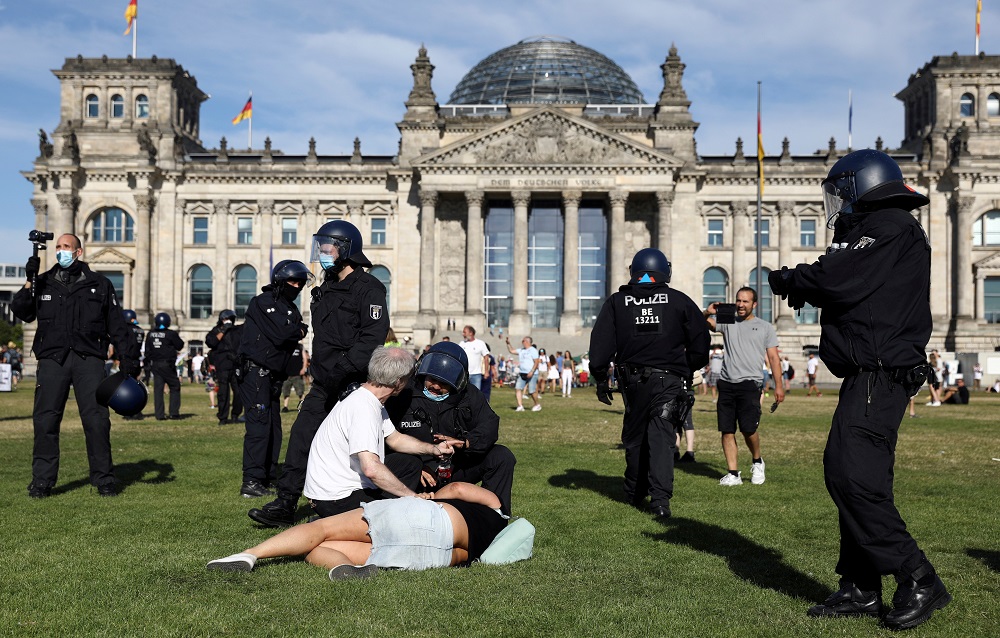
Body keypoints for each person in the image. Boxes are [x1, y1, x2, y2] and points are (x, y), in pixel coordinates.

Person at [768, 149, 951, 630]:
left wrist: (791, 279)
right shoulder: (881, 228)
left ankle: (918, 576)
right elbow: (847, 278)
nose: (837, 203)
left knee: (851, 475)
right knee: (857, 475)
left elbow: (839, 278)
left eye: (840, 191)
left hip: (880, 371)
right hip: (869, 371)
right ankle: (861, 586)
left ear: (859, 186)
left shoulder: (889, 225)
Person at [249, 219, 389, 528]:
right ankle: (286, 503)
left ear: (345, 250)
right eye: (321, 248)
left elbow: (371, 337)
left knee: (364, 447)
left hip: (355, 383)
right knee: (301, 437)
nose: (323, 254)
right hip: (325, 382)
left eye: (328, 249)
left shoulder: (370, 288)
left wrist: (344, 368)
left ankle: (381, 502)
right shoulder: (326, 285)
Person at [11, 233, 140, 498]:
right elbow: (22, 312)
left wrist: (128, 359)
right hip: (52, 359)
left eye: (66, 247)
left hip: (88, 359)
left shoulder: (99, 284)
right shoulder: (43, 281)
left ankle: (104, 479)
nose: (61, 251)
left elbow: (117, 324)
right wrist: (28, 281)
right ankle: (42, 482)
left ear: (78, 252)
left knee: (96, 421)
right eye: (58, 247)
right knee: (46, 421)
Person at [590, 248, 710, 518]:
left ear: (634, 271)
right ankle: (659, 501)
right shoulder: (679, 301)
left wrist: (599, 379)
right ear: (665, 271)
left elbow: (600, 347)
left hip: (633, 383)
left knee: (634, 438)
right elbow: (701, 342)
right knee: (662, 436)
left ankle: (633, 493)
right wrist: (687, 367)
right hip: (669, 380)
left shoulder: (617, 302)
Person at [207, 481, 506, 578]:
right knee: (315, 547)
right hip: (434, 557)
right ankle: (343, 568)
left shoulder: (494, 503)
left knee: (322, 528)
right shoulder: (490, 542)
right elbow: (457, 555)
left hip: (429, 517)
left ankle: (250, 555)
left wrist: (430, 496)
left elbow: (455, 487)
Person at [302, 347, 452, 516]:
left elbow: (395, 440)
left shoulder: (369, 397)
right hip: (335, 499)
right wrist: (412, 497)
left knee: (410, 463)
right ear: (398, 382)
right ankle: (334, 522)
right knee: (396, 514)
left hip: (337, 488)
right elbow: (371, 469)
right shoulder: (364, 408)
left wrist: (433, 449)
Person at [386, 341, 516, 515]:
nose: (436, 386)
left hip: (456, 467)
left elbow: (490, 425)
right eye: (431, 379)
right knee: (406, 464)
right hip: (419, 474)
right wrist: (417, 467)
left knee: (501, 456)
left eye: (443, 383)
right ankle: (396, 517)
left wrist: (467, 443)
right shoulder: (403, 395)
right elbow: (385, 438)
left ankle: (494, 517)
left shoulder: (470, 395)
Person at [237, 260, 312, 499]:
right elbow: (284, 333)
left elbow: (299, 329)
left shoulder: (287, 306)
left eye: (300, 282)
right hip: (256, 373)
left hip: (272, 375)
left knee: (273, 429)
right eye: (293, 281)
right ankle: (251, 480)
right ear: (280, 280)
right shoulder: (263, 302)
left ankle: (266, 476)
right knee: (258, 427)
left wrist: (297, 329)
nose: (297, 286)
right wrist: (296, 329)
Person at [704, 287, 784, 487]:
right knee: (727, 430)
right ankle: (733, 473)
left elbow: (774, 358)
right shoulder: (727, 321)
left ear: (754, 304)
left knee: (748, 429)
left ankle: (757, 461)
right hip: (727, 382)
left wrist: (778, 386)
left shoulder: (765, 327)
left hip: (750, 384)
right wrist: (708, 311)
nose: (740, 305)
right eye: (738, 300)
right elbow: (700, 322)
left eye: (745, 301)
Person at [206, 309, 244, 426]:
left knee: (239, 392)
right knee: (223, 393)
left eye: (231, 320)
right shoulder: (216, 331)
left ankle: (235, 414)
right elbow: (211, 343)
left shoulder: (237, 330)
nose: (229, 322)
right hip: (222, 365)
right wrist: (223, 330)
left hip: (235, 364)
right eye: (227, 319)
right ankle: (222, 417)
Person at [144, 312, 185, 421]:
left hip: (155, 364)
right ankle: (174, 413)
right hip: (167, 364)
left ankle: (159, 414)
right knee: (175, 386)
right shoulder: (170, 334)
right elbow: (180, 345)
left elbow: (147, 351)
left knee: (158, 389)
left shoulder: (150, 334)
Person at [506, 336, 540, 412]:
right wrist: (508, 344)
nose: (522, 342)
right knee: (518, 388)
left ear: (527, 342)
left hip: (532, 373)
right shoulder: (521, 350)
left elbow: (536, 362)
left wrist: (532, 371)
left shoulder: (533, 350)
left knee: (531, 391)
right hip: (522, 373)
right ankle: (520, 406)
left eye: (523, 341)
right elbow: (511, 351)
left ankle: (537, 404)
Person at [459, 325, 490, 391]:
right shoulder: (461, 344)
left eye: (464, 332)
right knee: (462, 393)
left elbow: (486, 357)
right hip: (464, 374)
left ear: (471, 333)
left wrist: (486, 371)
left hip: (476, 374)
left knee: (475, 394)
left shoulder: (480, 343)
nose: (463, 334)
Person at [281, 345, 309, 413]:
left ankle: (303, 406)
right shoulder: (286, 346)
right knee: (286, 391)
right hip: (287, 374)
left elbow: (305, 358)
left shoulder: (300, 347)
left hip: (297, 374)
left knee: (300, 391)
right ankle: (285, 407)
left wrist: (303, 368)